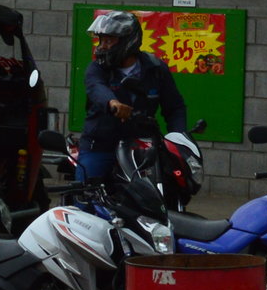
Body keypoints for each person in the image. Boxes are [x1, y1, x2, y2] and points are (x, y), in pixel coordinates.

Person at [80, 10, 187, 183]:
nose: (102, 46)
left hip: (142, 148)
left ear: (128, 41)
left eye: (109, 40)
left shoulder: (156, 69)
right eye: (101, 40)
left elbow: (174, 108)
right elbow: (96, 87)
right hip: (100, 145)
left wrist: (180, 140)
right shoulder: (97, 68)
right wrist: (112, 102)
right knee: (86, 195)